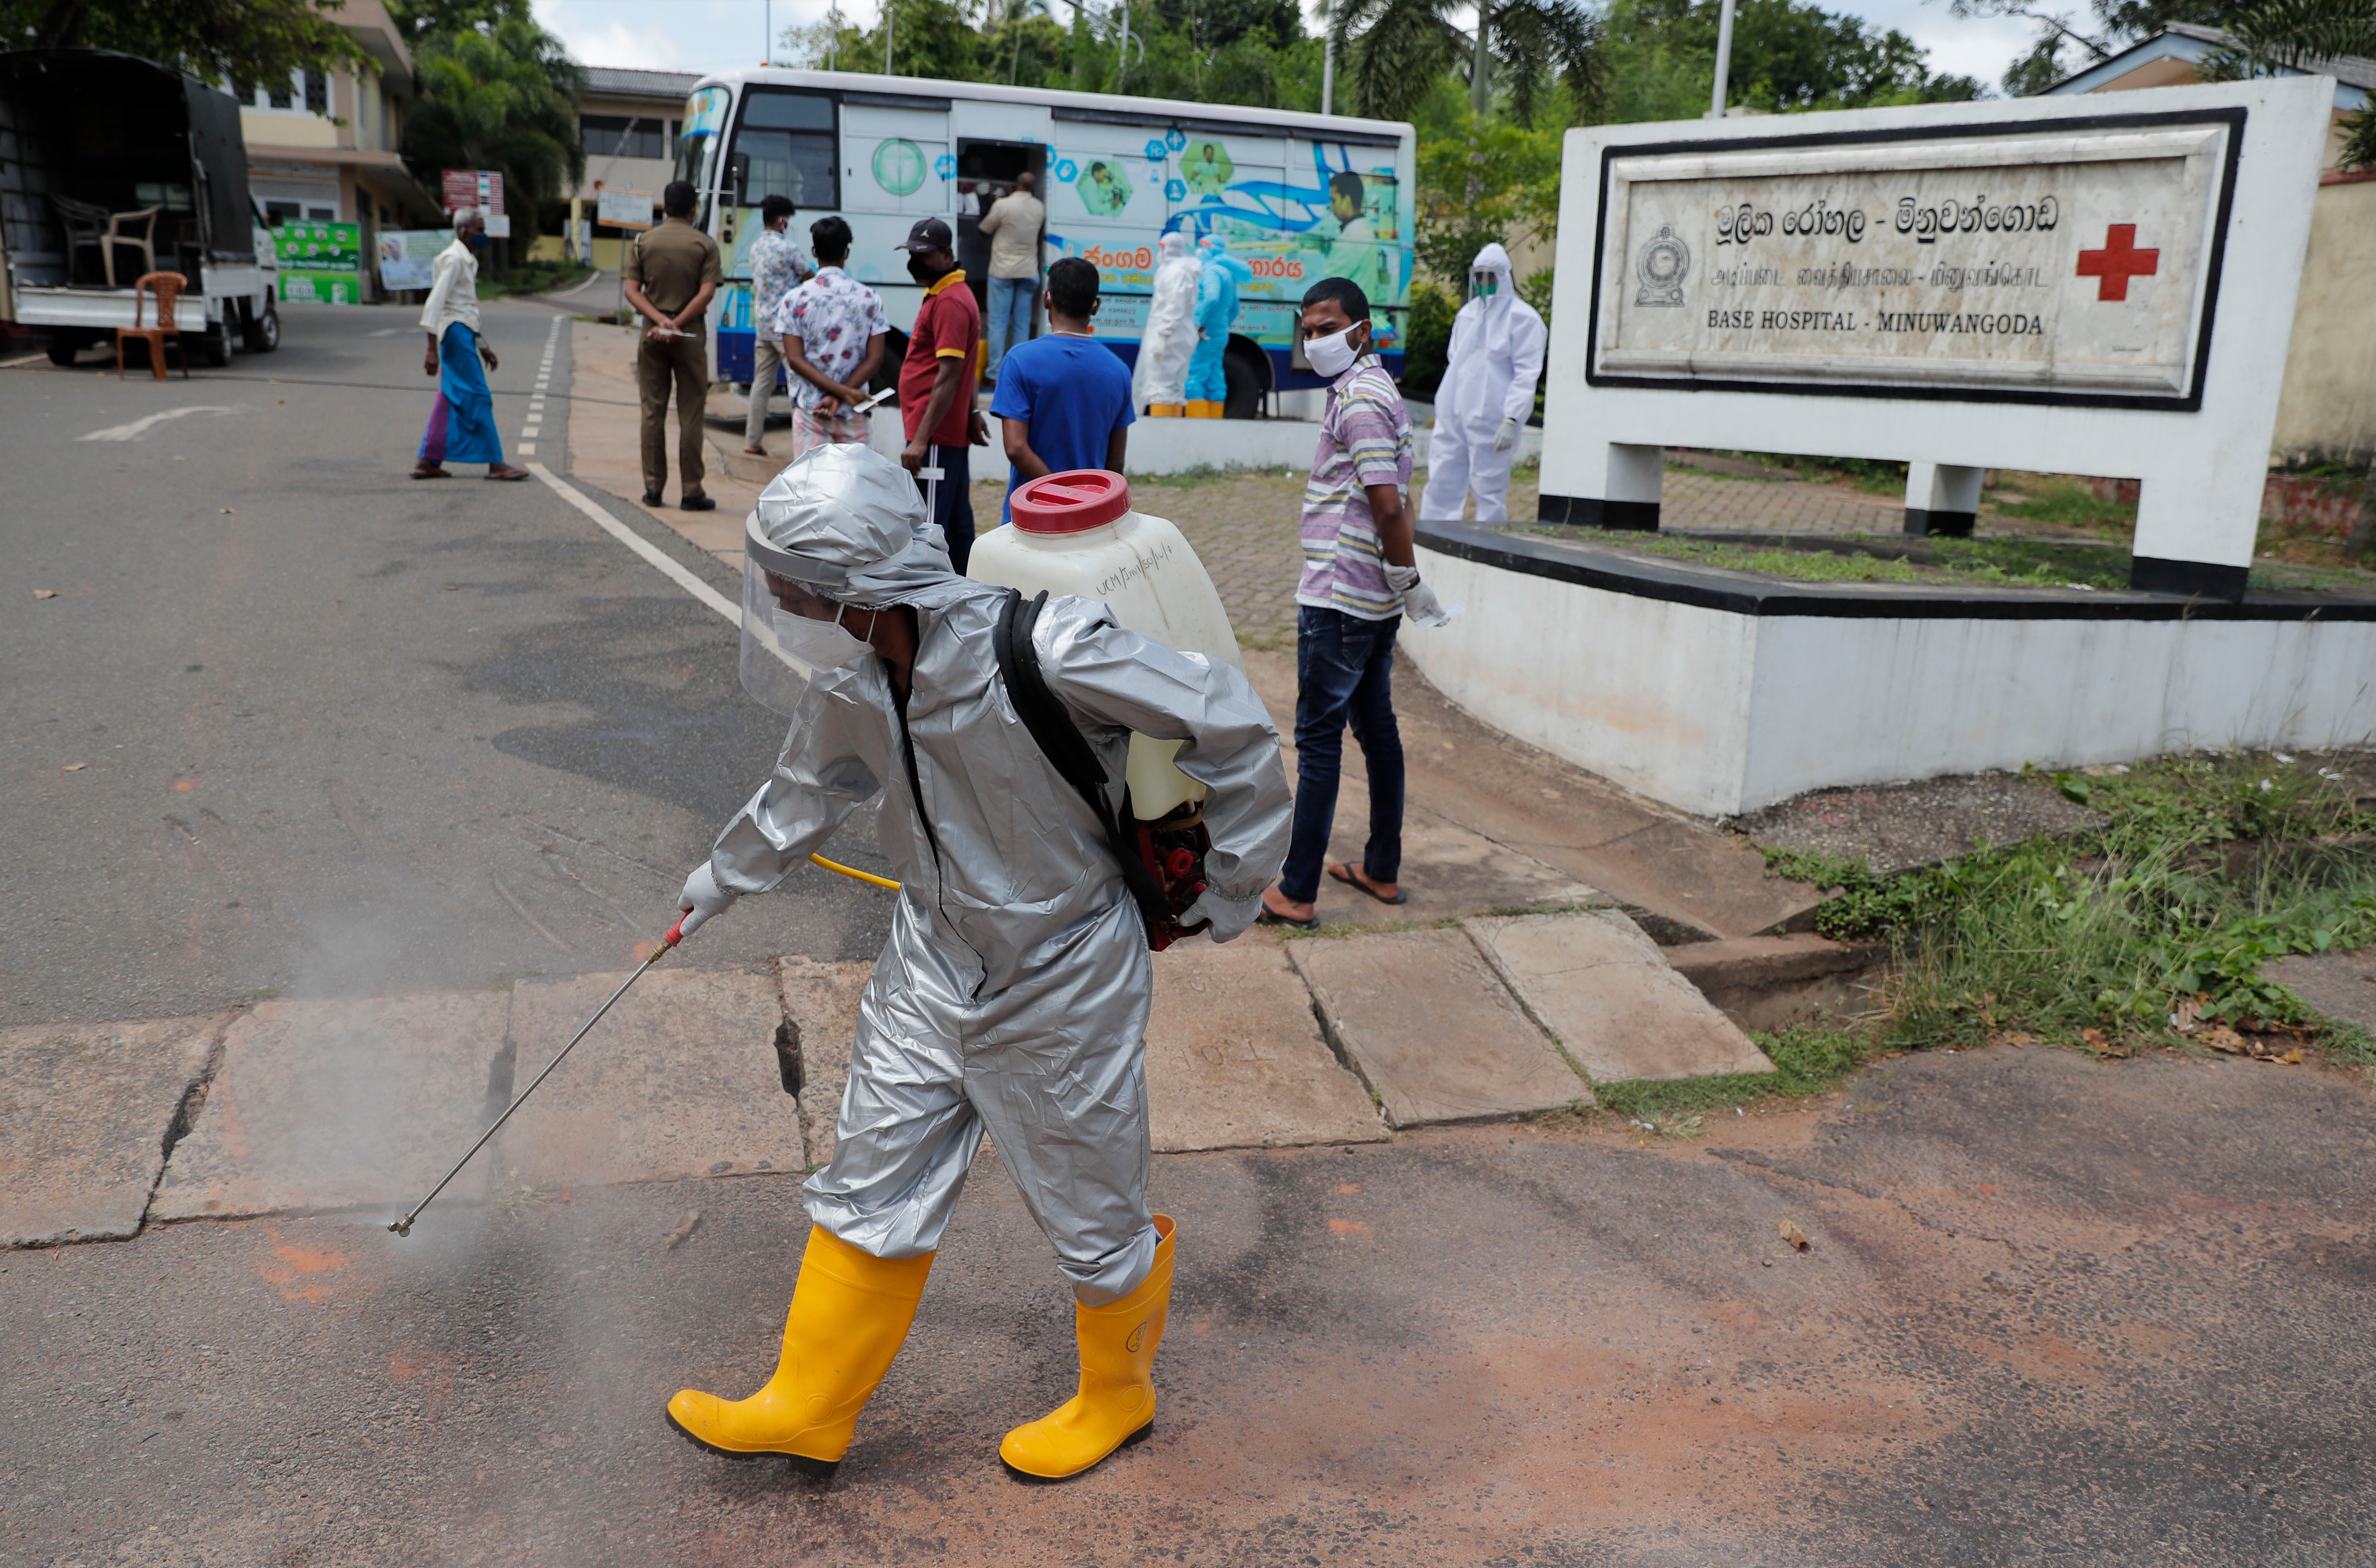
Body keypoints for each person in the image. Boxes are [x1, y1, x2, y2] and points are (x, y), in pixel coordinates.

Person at [663, 442, 1292, 1482]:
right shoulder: (861, 681)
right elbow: (799, 792)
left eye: (795, 591)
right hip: (928, 963)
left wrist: (1229, 887)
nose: (784, 608)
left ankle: (1115, 1395)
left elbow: (1228, 719)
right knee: (869, 1175)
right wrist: (709, 887)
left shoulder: (1047, 647)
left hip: (1062, 974)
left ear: (861, 591)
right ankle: (808, 1403)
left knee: (1092, 1209)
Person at [1259, 278, 1453, 929]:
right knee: (1376, 730)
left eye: (1328, 328)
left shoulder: (1362, 401)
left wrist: (1408, 578)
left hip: (1341, 597)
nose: (1316, 341)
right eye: (1308, 330)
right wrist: (1399, 585)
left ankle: (1296, 890)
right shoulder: (1369, 390)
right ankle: (1381, 867)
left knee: (1318, 742)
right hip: (1368, 599)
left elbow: (1388, 504)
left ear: (1362, 329)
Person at [989, 257, 1133, 525]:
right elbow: (1116, 464)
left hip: (1032, 516)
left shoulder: (1020, 360)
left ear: (1047, 300)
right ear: (1096, 306)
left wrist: (1060, 498)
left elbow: (1017, 447)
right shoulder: (1119, 370)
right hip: (1092, 518)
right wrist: (1081, 504)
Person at [1423, 242, 1547, 524]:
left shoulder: (1524, 319)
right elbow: (1455, 364)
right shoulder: (1467, 315)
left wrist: (1512, 418)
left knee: (1488, 486)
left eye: (1490, 276)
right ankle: (1435, 533)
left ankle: (1489, 540)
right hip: (1454, 414)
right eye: (1479, 276)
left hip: (1493, 418)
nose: (1483, 283)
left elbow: (1526, 374)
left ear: (1504, 276)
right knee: (1442, 476)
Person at [893, 216, 989, 572]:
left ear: (947, 254)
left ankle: (930, 609)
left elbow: (949, 376)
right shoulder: (945, 294)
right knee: (958, 527)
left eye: (924, 255)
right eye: (912, 253)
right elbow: (966, 366)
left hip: (934, 439)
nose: (915, 262)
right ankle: (967, 593)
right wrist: (973, 411)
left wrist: (920, 441)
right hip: (944, 433)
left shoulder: (950, 301)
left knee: (929, 535)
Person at [623, 179, 724, 511]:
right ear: (693, 210)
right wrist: (678, 324)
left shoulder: (643, 242)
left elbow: (632, 291)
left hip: (652, 336)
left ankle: (653, 489)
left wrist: (660, 321)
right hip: (690, 336)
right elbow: (707, 292)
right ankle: (691, 491)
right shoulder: (705, 244)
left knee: (652, 412)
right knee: (691, 415)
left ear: (664, 208)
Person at [411, 209, 527, 482]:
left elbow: (465, 309)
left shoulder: (466, 260)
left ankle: (428, 460)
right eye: (479, 230)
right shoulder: (454, 260)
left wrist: (482, 344)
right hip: (454, 334)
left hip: (462, 333)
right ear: (463, 232)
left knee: (449, 398)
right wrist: (431, 349)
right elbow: (435, 304)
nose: (483, 236)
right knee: (478, 396)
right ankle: (496, 463)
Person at [777, 216, 889, 460]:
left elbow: (795, 360)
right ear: (846, 252)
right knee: (855, 490)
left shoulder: (795, 299)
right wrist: (844, 394)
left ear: (814, 251)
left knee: (812, 489)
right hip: (855, 411)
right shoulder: (870, 298)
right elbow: (876, 358)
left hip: (811, 413)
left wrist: (836, 394)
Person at [742, 193, 815, 457]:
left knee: (761, 383)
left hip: (762, 324)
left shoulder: (756, 247)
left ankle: (753, 440)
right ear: (782, 220)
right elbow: (811, 278)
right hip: (787, 329)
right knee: (799, 385)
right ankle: (804, 445)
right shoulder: (788, 249)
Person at [975, 170, 1044, 383]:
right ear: (1032, 188)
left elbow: (984, 230)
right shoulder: (1040, 208)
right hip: (1029, 272)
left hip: (1003, 272)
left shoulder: (1003, 206)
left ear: (1015, 185)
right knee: (1022, 325)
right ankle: (1018, 372)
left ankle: (996, 373)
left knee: (998, 323)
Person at [1130, 230, 1201, 417]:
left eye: (1161, 248)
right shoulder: (1182, 270)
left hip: (1170, 338)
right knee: (1174, 390)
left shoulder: (1175, 272)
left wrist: (1163, 336)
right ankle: (1172, 433)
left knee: (1160, 388)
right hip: (1178, 335)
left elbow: (1174, 307)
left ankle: (1162, 433)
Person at [1184, 233, 1250, 419]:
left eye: (1201, 247)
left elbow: (1212, 298)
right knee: (1215, 382)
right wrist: (1222, 326)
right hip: (1219, 334)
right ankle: (1214, 426)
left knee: (1193, 379)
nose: (1198, 251)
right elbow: (1235, 308)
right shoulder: (1226, 273)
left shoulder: (1211, 272)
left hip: (1207, 335)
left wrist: (1202, 325)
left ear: (1208, 248)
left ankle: (1196, 428)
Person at [1317, 170, 1395, 306]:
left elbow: (1327, 283)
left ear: (1346, 201)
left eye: (1334, 200)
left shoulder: (1352, 237)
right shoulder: (1362, 231)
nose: (1331, 207)